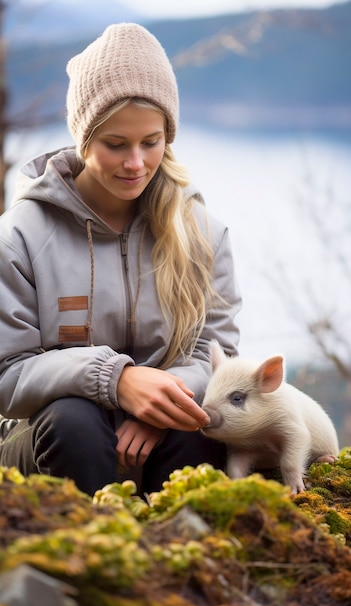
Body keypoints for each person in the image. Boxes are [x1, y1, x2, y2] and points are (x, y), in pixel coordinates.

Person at [0, 23, 241, 497]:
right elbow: (7, 374)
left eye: (151, 142)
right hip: (42, 442)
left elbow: (216, 354)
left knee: (201, 432)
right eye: (116, 144)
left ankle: (173, 562)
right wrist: (118, 380)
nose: (135, 163)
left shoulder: (202, 233)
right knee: (74, 422)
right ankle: (83, 563)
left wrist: (163, 406)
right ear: (83, 138)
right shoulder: (19, 237)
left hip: (156, 434)